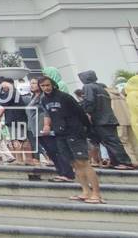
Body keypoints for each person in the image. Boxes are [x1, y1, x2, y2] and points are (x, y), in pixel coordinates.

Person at [39, 75, 102, 203]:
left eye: (47, 85)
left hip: (74, 132)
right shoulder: (44, 100)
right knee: (74, 164)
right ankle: (85, 191)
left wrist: (88, 129)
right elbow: (49, 115)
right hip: (60, 133)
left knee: (83, 162)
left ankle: (96, 194)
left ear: (52, 84)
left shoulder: (64, 97)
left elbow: (80, 112)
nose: (46, 88)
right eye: (43, 86)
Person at [79, 70, 134, 169]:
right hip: (109, 118)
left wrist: (87, 112)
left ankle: (123, 162)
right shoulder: (102, 87)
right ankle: (116, 162)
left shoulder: (88, 87)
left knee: (111, 141)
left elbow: (89, 101)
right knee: (111, 141)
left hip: (100, 119)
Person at [106, 80, 138, 163]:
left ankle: (133, 161)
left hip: (119, 121)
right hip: (129, 119)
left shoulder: (108, 96)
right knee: (134, 141)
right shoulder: (121, 94)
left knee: (124, 142)